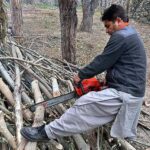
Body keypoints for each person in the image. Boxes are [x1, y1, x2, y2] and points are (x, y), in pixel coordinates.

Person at [21, 4, 147, 142]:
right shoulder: (130, 33)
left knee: (84, 104)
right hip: (129, 90)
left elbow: (102, 61)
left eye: (108, 26)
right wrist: (109, 82)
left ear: (118, 20)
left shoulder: (122, 36)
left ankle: (46, 133)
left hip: (126, 94)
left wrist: (81, 75)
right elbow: (126, 66)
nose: (106, 30)